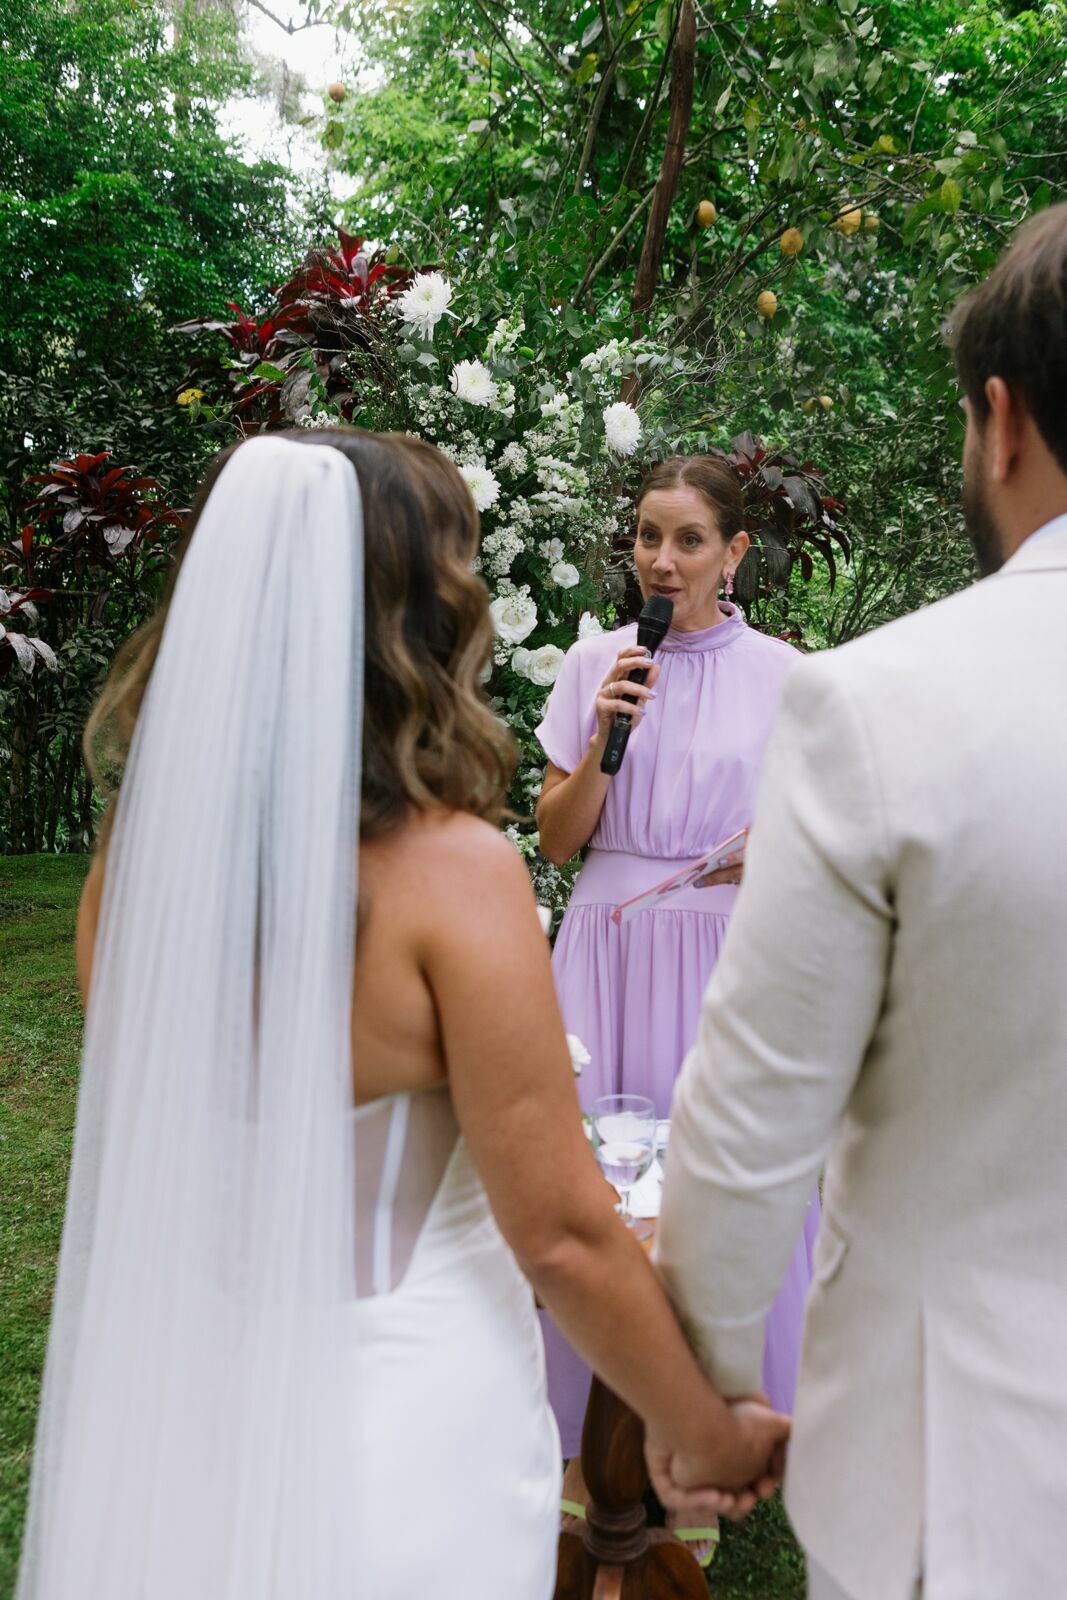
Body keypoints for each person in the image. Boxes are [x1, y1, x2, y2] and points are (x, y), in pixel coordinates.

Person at [15, 429, 789, 1600]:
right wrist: (705, 1429)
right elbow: (562, 1236)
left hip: (191, 1396)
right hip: (404, 1427)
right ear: (417, 608)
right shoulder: (452, 876)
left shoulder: (137, 857)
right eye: (459, 564)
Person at [654, 204, 1067, 1600]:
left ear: (998, 421)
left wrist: (701, 1397)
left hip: (979, 1489)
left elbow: (750, 1120)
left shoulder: (877, 705)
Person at [534, 454, 819, 1538]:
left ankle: (709, 1444)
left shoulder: (789, 678)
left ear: (733, 552)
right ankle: (583, 1452)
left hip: (723, 959)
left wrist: (772, 853)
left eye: (688, 539)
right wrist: (603, 745)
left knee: (716, 1189)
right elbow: (558, 840)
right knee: (589, 1195)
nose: (661, 559)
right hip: (602, 952)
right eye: (648, 536)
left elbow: (819, 840)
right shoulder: (593, 661)